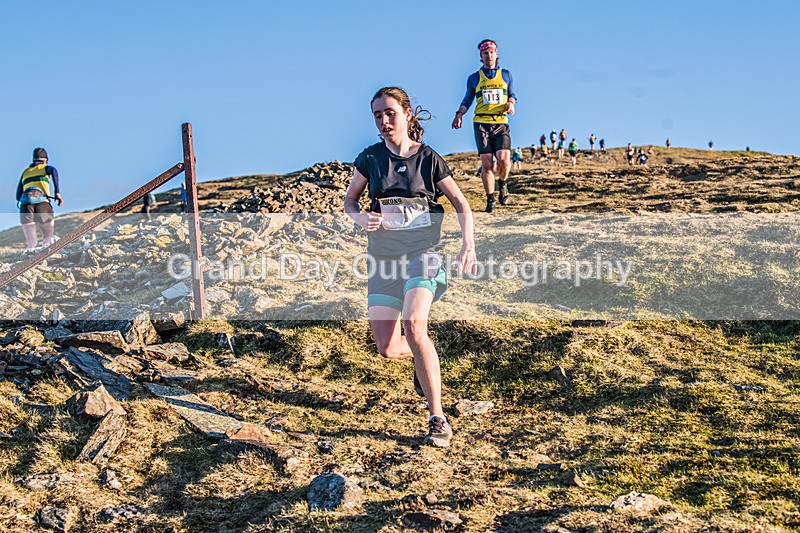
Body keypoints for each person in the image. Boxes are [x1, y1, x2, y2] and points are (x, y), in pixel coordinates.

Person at [346, 87, 477, 448]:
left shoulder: (429, 159)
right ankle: (424, 356)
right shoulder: (369, 158)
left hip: (425, 253)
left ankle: (437, 417)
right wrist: (360, 218)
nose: (384, 121)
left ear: (406, 114)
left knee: (415, 325)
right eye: (377, 115)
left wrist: (469, 244)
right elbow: (350, 200)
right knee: (388, 348)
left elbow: (461, 203)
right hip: (384, 260)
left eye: (389, 113)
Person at [452, 39, 517, 213]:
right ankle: (491, 200)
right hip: (481, 122)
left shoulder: (506, 75)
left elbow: (512, 95)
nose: (489, 55)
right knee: (487, 164)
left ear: (496, 54)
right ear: (481, 56)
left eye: (491, 52)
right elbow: (467, 100)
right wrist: (459, 114)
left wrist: (511, 103)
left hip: (500, 122)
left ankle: (502, 183)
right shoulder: (474, 78)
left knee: (503, 159)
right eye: (485, 53)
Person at [17, 147, 63, 252]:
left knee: (31, 242)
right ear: (45, 160)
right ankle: (45, 254)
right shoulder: (45, 168)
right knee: (48, 236)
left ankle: (30, 258)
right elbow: (54, 171)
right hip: (42, 204)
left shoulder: (25, 172)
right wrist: (57, 193)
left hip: (25, 205)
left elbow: (17, 195)